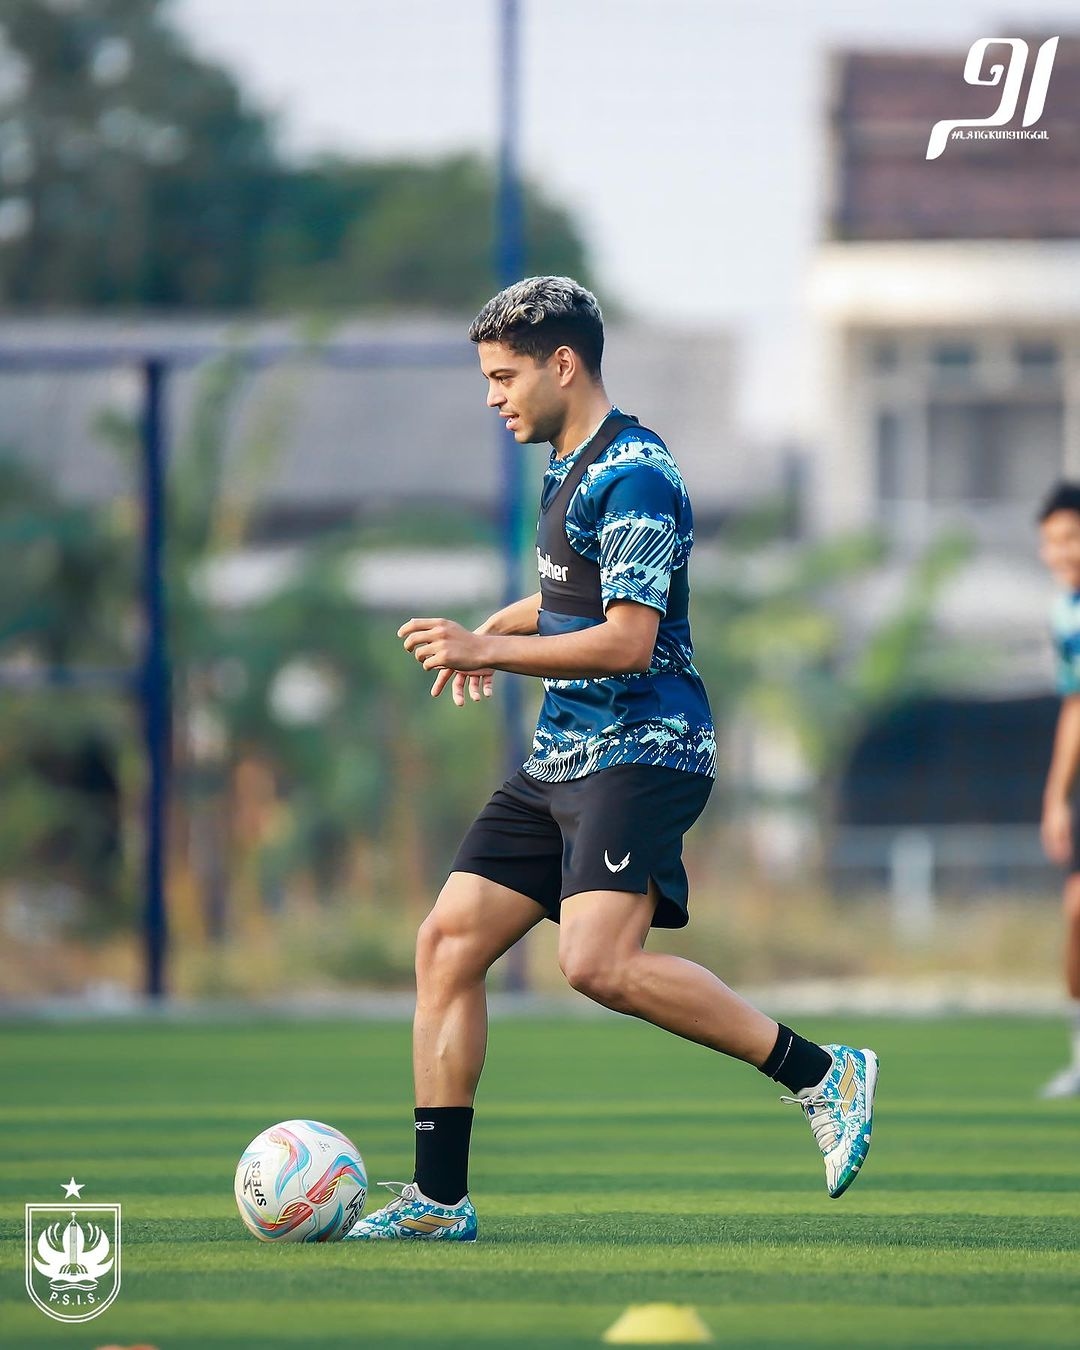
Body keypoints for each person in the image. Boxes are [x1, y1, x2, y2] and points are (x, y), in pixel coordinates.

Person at [345, 276, 877, 1242]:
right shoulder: (568, 464)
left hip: (643, 747)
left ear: (564, 364)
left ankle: (822, 1073)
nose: (493, 397)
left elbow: (629, 640)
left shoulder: (635, 472)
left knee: (595, 963)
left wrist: (487, 652)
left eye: (505, 377)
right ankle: (437, 1201)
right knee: (447, 943)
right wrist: (496, 625)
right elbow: (572, 600)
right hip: (564, 755)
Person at [1036, 481, 1080, 1098]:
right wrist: (1055, 797)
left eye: (1070, 538)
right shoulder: (1064, 612)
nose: (1060, 552)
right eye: (1050, 542)